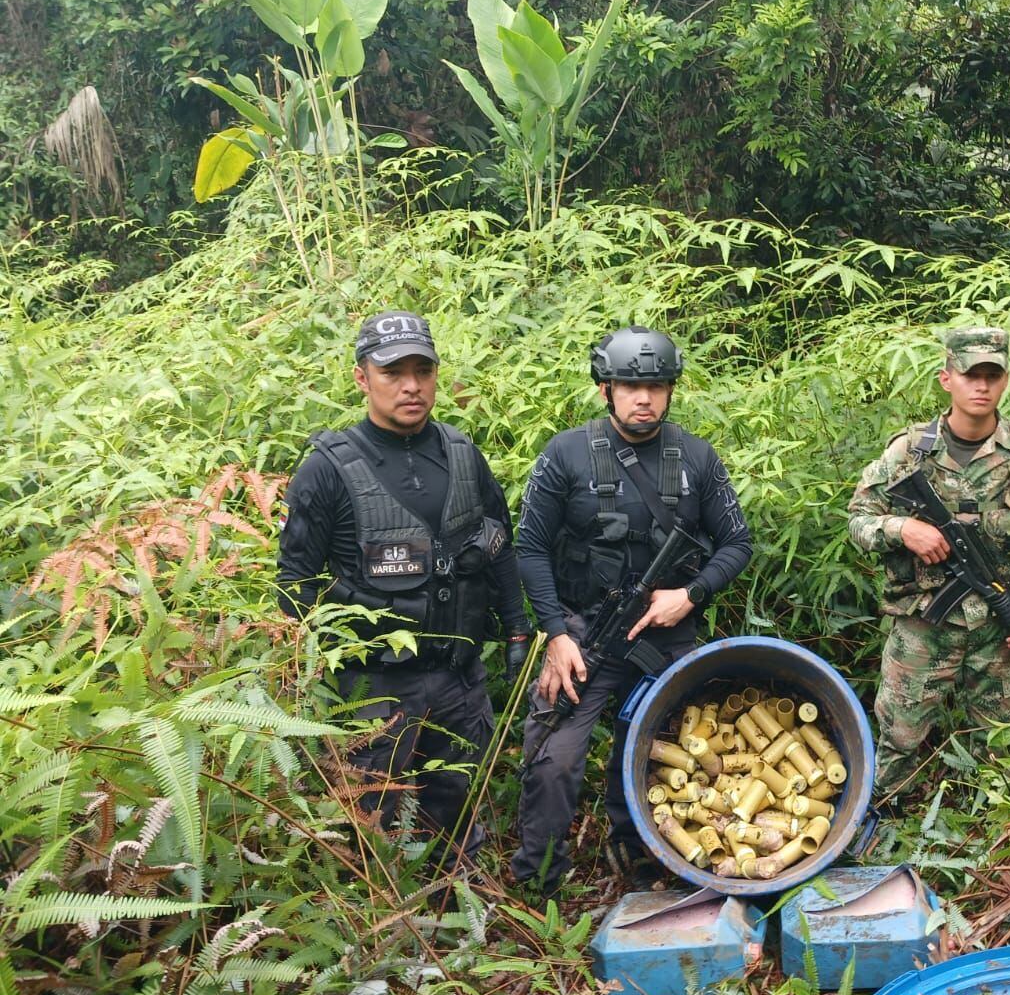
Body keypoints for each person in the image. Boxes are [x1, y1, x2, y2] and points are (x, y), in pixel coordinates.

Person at [276, 310, 532, 866]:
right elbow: (294, 587)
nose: (411, 385)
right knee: (377, 827)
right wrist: (366, 621)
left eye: (423, 369)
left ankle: (463, 916)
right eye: (393, 372)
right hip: (376, 690)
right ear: (361, 378)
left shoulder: (462, 454)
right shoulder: (327, 470)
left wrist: (517, 632)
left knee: (460, 817)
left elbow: (497, 546)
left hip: (460, 679)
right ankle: (392, 937)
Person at [512, 326, 753, 894]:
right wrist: (554, 633)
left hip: (665, 638)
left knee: (670, 754)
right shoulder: (565, 454)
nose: (642, 397)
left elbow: (737, 543)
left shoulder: (696, 458)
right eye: (629, 385)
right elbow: (530, 546)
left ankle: (656, 863)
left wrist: (690, 595)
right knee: (555, 759)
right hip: (583, 633)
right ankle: (538, 879)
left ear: (670, 390)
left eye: (655, 385)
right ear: (606, 389)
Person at [847, 328, 1010, 796]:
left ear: (1006, 380)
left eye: (992, 375)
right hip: (922, 629)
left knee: (1004, 751)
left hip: (1002, 632)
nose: (982, 386)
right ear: (946, 378)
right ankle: (877, 833)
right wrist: (902, 530)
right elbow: (858, 521)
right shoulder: (908, 453)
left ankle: (995, 847)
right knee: (896, 742)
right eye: (971, 374)